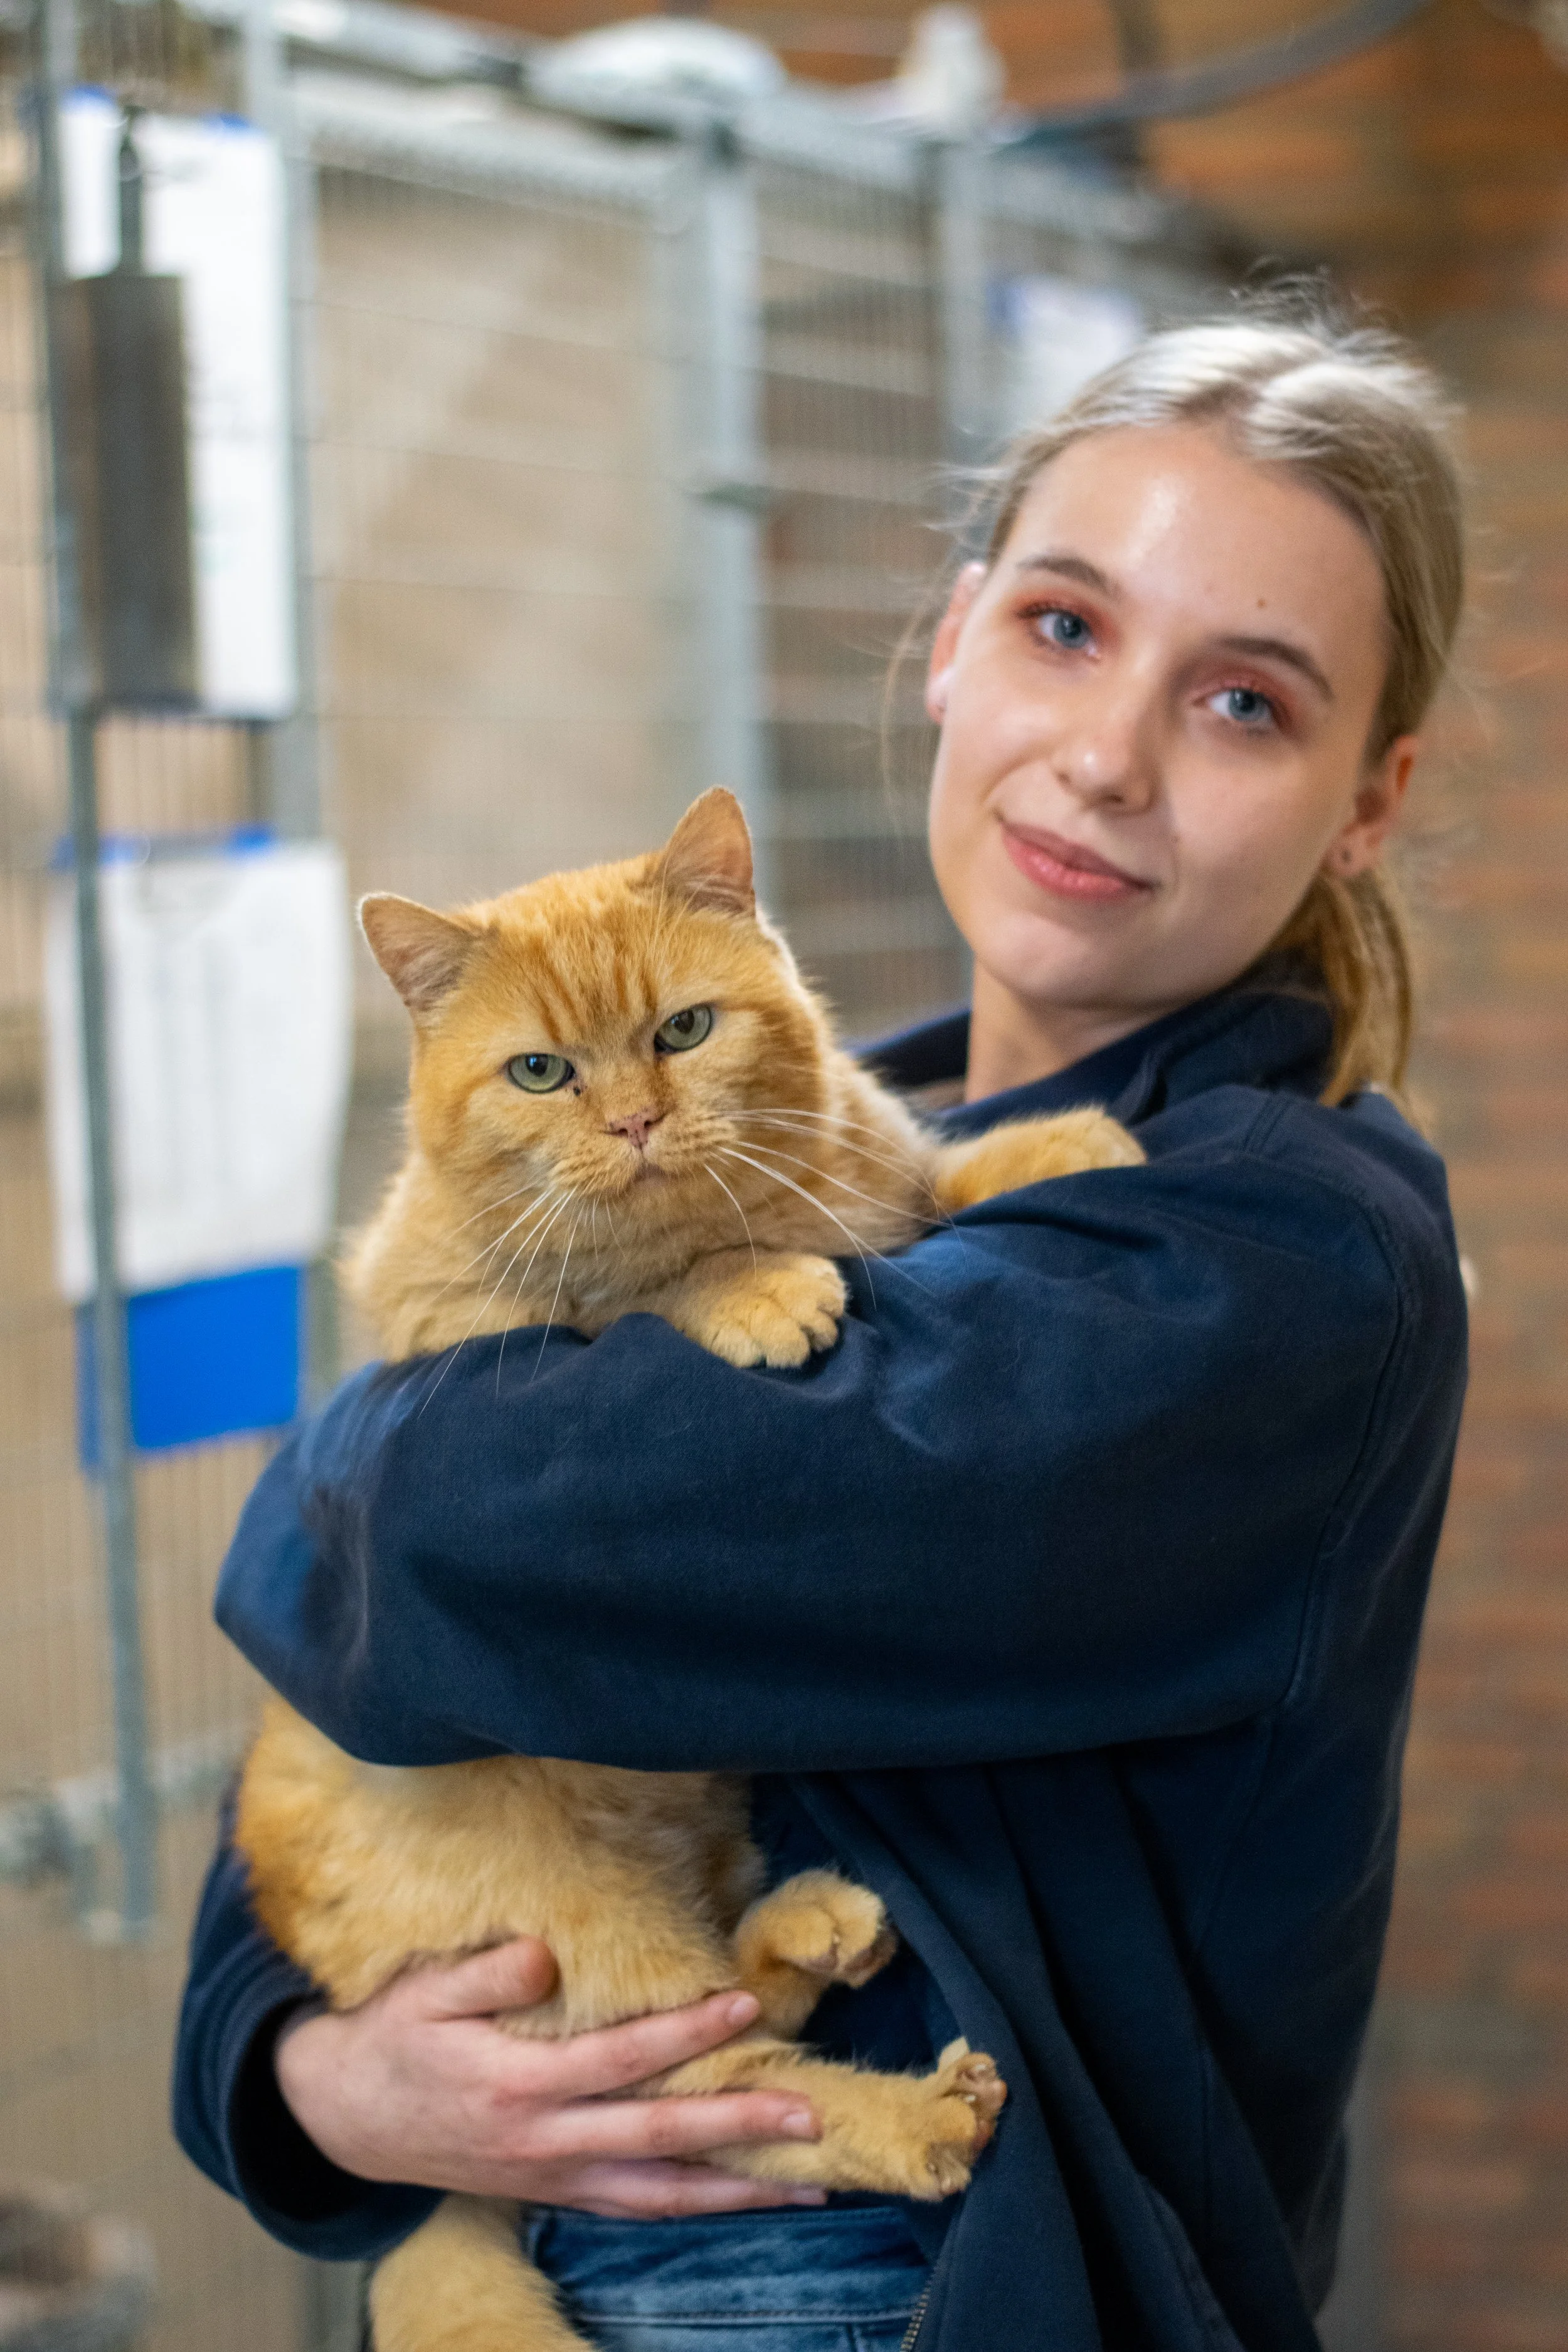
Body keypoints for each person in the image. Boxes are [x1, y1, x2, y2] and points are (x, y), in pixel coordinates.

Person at [175, 300, 1470, 2352]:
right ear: (949, 642)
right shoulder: (816, 1126)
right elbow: (367, 1717)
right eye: (1063, 626)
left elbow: (410, 1552)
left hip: (912, 2284)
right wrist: (309, 2073)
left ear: (1368, 798)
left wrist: (336, 1464)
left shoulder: (1273, 1266)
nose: (1107, 754)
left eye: (1242, 701)